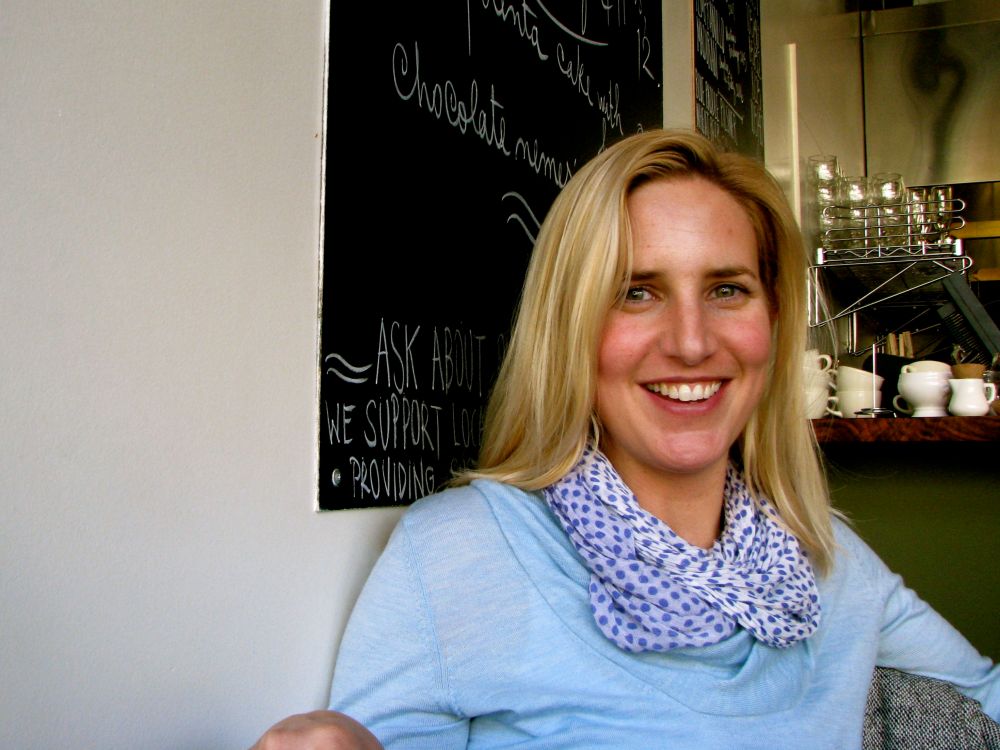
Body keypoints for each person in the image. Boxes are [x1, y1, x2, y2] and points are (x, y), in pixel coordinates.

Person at [251, 129, 999, 749]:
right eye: (635, 292)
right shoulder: (460, 554)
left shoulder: (826, 557)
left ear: (773, 320)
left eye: (727, 289)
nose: (691, 342)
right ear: (571, 327)